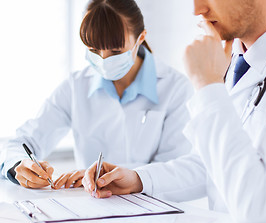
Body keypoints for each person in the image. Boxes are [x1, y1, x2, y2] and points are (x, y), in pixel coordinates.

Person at [81, 0, 266, 223]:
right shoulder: (235, 57)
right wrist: (138, 179)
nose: (197, 10)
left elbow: (256, 201)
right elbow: (210, 164)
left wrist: (208, 86)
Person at [0, 0, 193, 190]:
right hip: (92, 210)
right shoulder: (75, 86)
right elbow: (22, 142)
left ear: (140, 38)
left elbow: (175, 172)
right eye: (93, 49)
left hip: (155, 212)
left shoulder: (175, 88)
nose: (104, 60)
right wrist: (19, 165)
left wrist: (119, 177)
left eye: (116, 51)